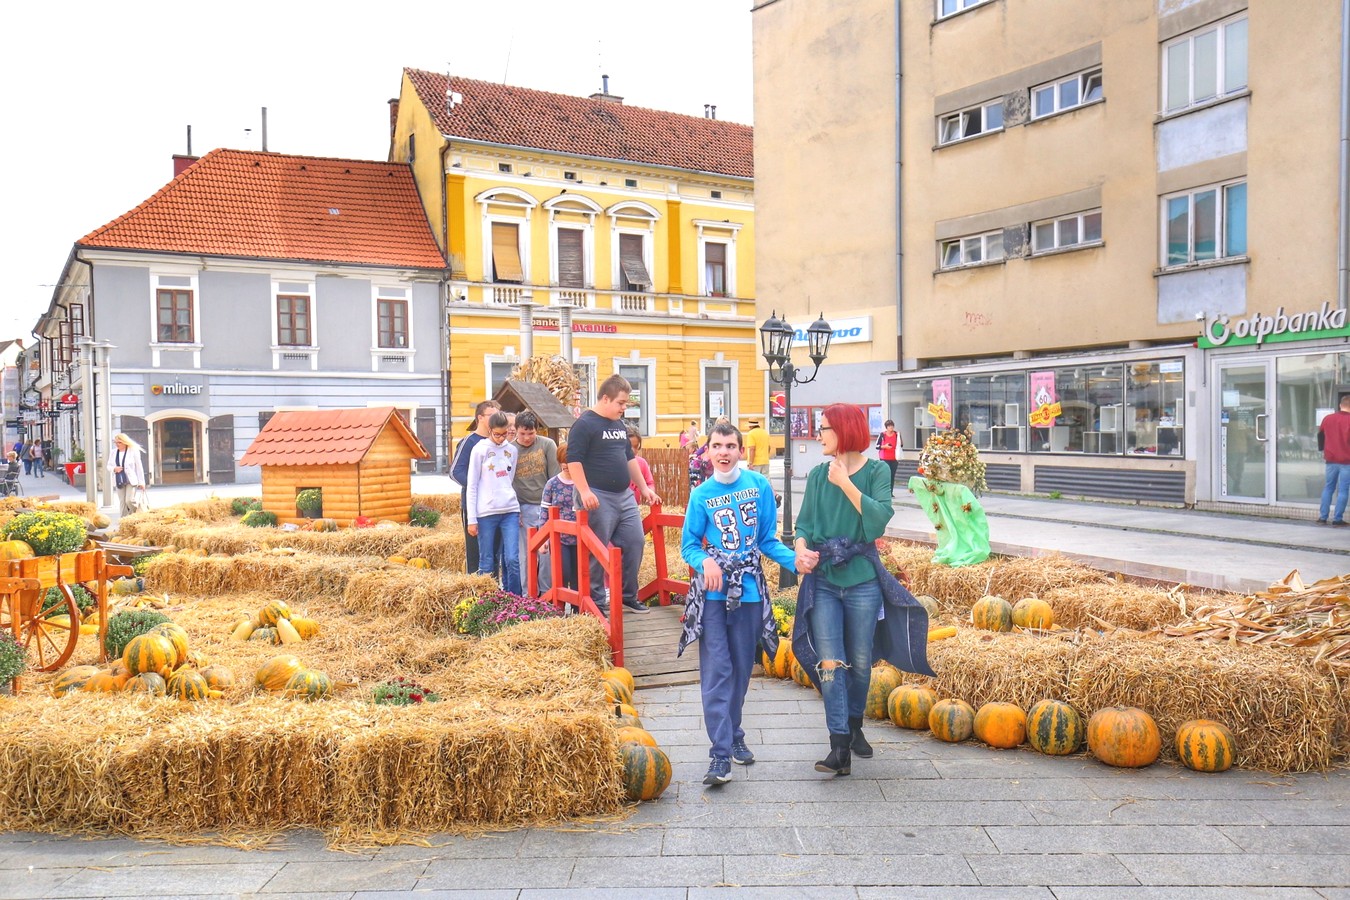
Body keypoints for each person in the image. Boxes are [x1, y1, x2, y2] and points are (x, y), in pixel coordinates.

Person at [791, 403, 934, 776]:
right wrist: (801, 548)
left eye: (823, 428)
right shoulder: (817, 475)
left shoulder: (875, 473)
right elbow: (804, 524)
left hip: (862, 582)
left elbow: (877, 524)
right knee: (830, 663)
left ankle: (854, 725)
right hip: (823, 580)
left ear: (843, 430)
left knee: (858, 662)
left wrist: (846, 484)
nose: (818, 434)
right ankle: (839, 745)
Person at [679, 421, 796, 786]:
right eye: (717, 446)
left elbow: (766, 540)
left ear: (741, 452)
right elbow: (689, 545)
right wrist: (706, 562)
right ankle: (719, 755)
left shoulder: (759, 486)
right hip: (713, 597)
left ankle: (735, 734)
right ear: (708, 452)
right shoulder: (701, 495)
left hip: (748, 593)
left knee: (742, 672)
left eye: (731, 446)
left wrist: (799, 562)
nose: (724, 452)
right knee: (718, 673)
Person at [567, 374, 661, 616]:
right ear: (605, 398)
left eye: (626, 404)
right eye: (621, 403)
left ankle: (628, 596)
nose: (623, 408)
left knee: (635, 542)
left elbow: (629, 459)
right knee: (596, 550)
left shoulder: (619, 425)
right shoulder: (585, 424)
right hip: (597, 495)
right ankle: (595, 602)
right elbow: (573, 460)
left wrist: (644, 488)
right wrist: (584, 490)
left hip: (624, 495)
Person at [465, 412, 521, 594]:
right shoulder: (479, 449)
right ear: (490, 431)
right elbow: (472, 485)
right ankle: (486, 600)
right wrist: (472, 519)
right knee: (487, 559)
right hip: (486, 512)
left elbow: (509, 478)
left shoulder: (512, 450)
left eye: (504, 434)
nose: (501, 438)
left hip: (510, 510)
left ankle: (516, 600)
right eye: (497, 434)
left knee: (512, 558)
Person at [512, 411, 559, 596]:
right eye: (522, 433)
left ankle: (547, 592)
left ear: (536, 431)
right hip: (522, 506)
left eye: (530, 433)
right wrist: (516, 510)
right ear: (515, 430)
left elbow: (554, 478)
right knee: (525, 554)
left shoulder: (547, 445)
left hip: (544, 505)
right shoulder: (510, 449)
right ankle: (527, 593)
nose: (526, 438)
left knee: (546, 552)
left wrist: (551, 508)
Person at [450, 400, 500, 574]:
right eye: (492, 415)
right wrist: (479, 486)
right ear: (480, 417)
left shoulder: (499, 442)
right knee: (476, 554)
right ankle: (476, 594)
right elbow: (455, 472)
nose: (496, 419)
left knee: (494, 553)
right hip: (474, 507)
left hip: (496, 507)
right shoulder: (469, 442)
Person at [541, 442, 579, 591]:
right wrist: (543, 538)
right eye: (563, 463)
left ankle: (578, 610)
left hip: (580, 537)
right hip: (559, 538)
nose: (566, 466)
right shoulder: (552, 484)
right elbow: (544, 511)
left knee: (579, 575)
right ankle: (560, 609)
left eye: (569, 463)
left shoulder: (582, 483)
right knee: (563, 573)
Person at [1317, 395, 1350, 526]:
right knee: (1343, 490)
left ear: (1340, 405)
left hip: (1330, 460)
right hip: (1347, 461)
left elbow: (1320, 436)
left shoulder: (1328, 419)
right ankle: (1337, 519)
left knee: (1328, 488)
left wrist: (1323, 451)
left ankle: (1323, 517)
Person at [108, 432, 147, 517]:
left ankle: (138, 513)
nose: (117, 444)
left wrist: (142, 482)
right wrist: (114, 469)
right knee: (122, 502)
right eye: (116, 442)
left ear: (125, 442)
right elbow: (109, 466)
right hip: (119, 480)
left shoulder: (133, 451)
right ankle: (123, 521)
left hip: (131, 480)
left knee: (129, 500)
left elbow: (139, 467)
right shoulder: (113, 452)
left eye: (119, 442)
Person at [627, 426, 656, 506]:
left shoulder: (641, 463)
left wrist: (650, 493)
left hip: (634, 506)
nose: (633, 450)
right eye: (629, 447)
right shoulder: (615, 463)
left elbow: (650, 483)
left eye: (636, 447)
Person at [876, 420, 900, 491]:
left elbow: (901, 444)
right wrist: (884, 446)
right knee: (886, 475)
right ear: (886, 427)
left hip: (894, 458)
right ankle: (884, 490)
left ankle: (890, 492)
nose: (891, 427)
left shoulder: (896, 434)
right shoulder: (882, 435)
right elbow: (877, 446)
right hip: (884, 458)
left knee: (892, 475)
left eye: (892, 426)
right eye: (889, 426)